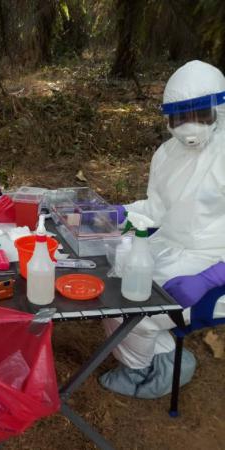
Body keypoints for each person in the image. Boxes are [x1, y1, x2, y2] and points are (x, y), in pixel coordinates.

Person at [100, 60, 225, 399]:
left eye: (199, 114)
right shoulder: (167, 154)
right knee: (113, 285)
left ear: (219, 109)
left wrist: (212, 278)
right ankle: (162, 355)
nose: (188, 126)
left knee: (138, 306)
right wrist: (118, 213)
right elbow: (156, 208)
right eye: (178, 116)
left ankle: (143, 369)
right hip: (170, 247)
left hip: (214, 263)